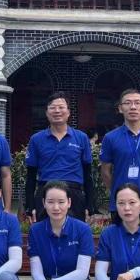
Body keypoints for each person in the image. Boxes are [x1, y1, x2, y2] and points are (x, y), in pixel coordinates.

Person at [25, 92, 95, 222]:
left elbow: (88, 174)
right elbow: (30, 176)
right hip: (46, 192)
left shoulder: (81, 138)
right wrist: (30, 205)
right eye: (52, 107)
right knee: (45, 232)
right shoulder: (36, 139)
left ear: (68, 112)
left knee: (74, 231)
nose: (57, 111)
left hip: (74, 193)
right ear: (47, 113)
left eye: (61, 107)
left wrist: (90, 204)